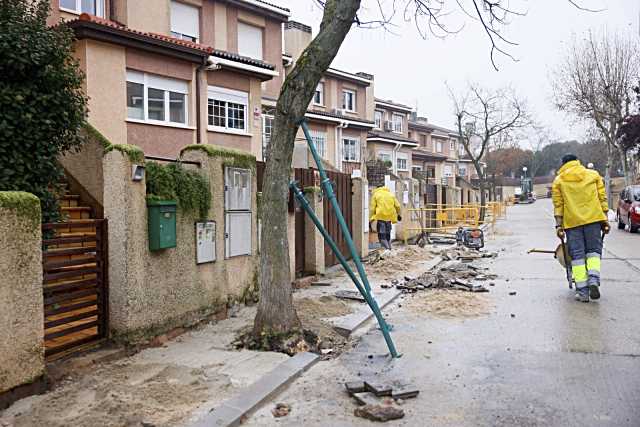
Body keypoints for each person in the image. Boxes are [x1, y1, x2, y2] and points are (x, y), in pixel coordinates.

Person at [552, 154, 610, 302]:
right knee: (594, 252)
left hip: (572, 223)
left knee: (577, 257)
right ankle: (593, 279)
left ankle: (583, 292)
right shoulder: (593, 175)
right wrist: (605, 219)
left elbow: (559, 205)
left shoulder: (559, 181)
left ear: (563, 164)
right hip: (594, 220)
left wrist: (559, 225)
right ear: (577, 162)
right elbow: (602, 198)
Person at [369, 184, 402, 252]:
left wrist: (370, 218)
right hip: (389, 217)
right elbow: (398, 206)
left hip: (380, 217)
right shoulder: (391, 195)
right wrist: (399, 214)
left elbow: (372, 208)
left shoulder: (376, 194)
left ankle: (387, 250)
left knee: (381, 235)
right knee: (388, 234)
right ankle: (389, 248)